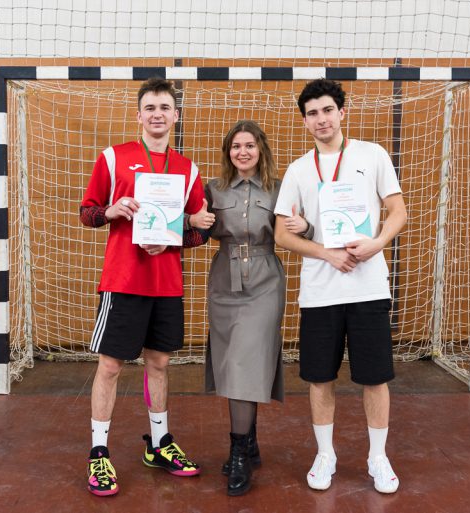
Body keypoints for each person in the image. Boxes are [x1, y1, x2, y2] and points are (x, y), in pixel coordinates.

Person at [79, 77, 215, 497]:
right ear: (139, 115)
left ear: (176, 115)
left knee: (159, 363)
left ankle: (159, 444)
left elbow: (199, 232)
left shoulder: (188, 169)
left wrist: (175, 238)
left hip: (166, 284)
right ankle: (99, 452)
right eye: (150, 107)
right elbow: (87, 213)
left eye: (165, 107)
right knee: (110, 366)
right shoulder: (113, 157)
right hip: (123, 281)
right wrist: (111, 211)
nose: (157, 114)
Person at [273, 79, 407, 494]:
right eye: (312, 113)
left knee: (375, 378)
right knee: (319, 378)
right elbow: (281, 234)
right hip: (321, 291)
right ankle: (325, 454)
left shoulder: (372, 154)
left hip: (368, 288)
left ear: (342, 112)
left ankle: (378, 457)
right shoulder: (298, 170)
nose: (321, 119)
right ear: (305, 120)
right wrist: (326, 254)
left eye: (328, 110)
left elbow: (398, 211)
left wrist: (377, 243)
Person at [195, 120, 312, 496]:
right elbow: (194, 233)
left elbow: (308, 228)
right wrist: (191, 221)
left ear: (261, 150)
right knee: (234, 363)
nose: (242, 152)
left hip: (264, 283)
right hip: (224, 281)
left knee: (246, 361)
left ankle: (238, 454)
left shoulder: (280, 188)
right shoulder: (212, 189)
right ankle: (250, 442)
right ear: (228, 152)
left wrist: (306, 226)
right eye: (235, 146)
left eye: (249, 145)